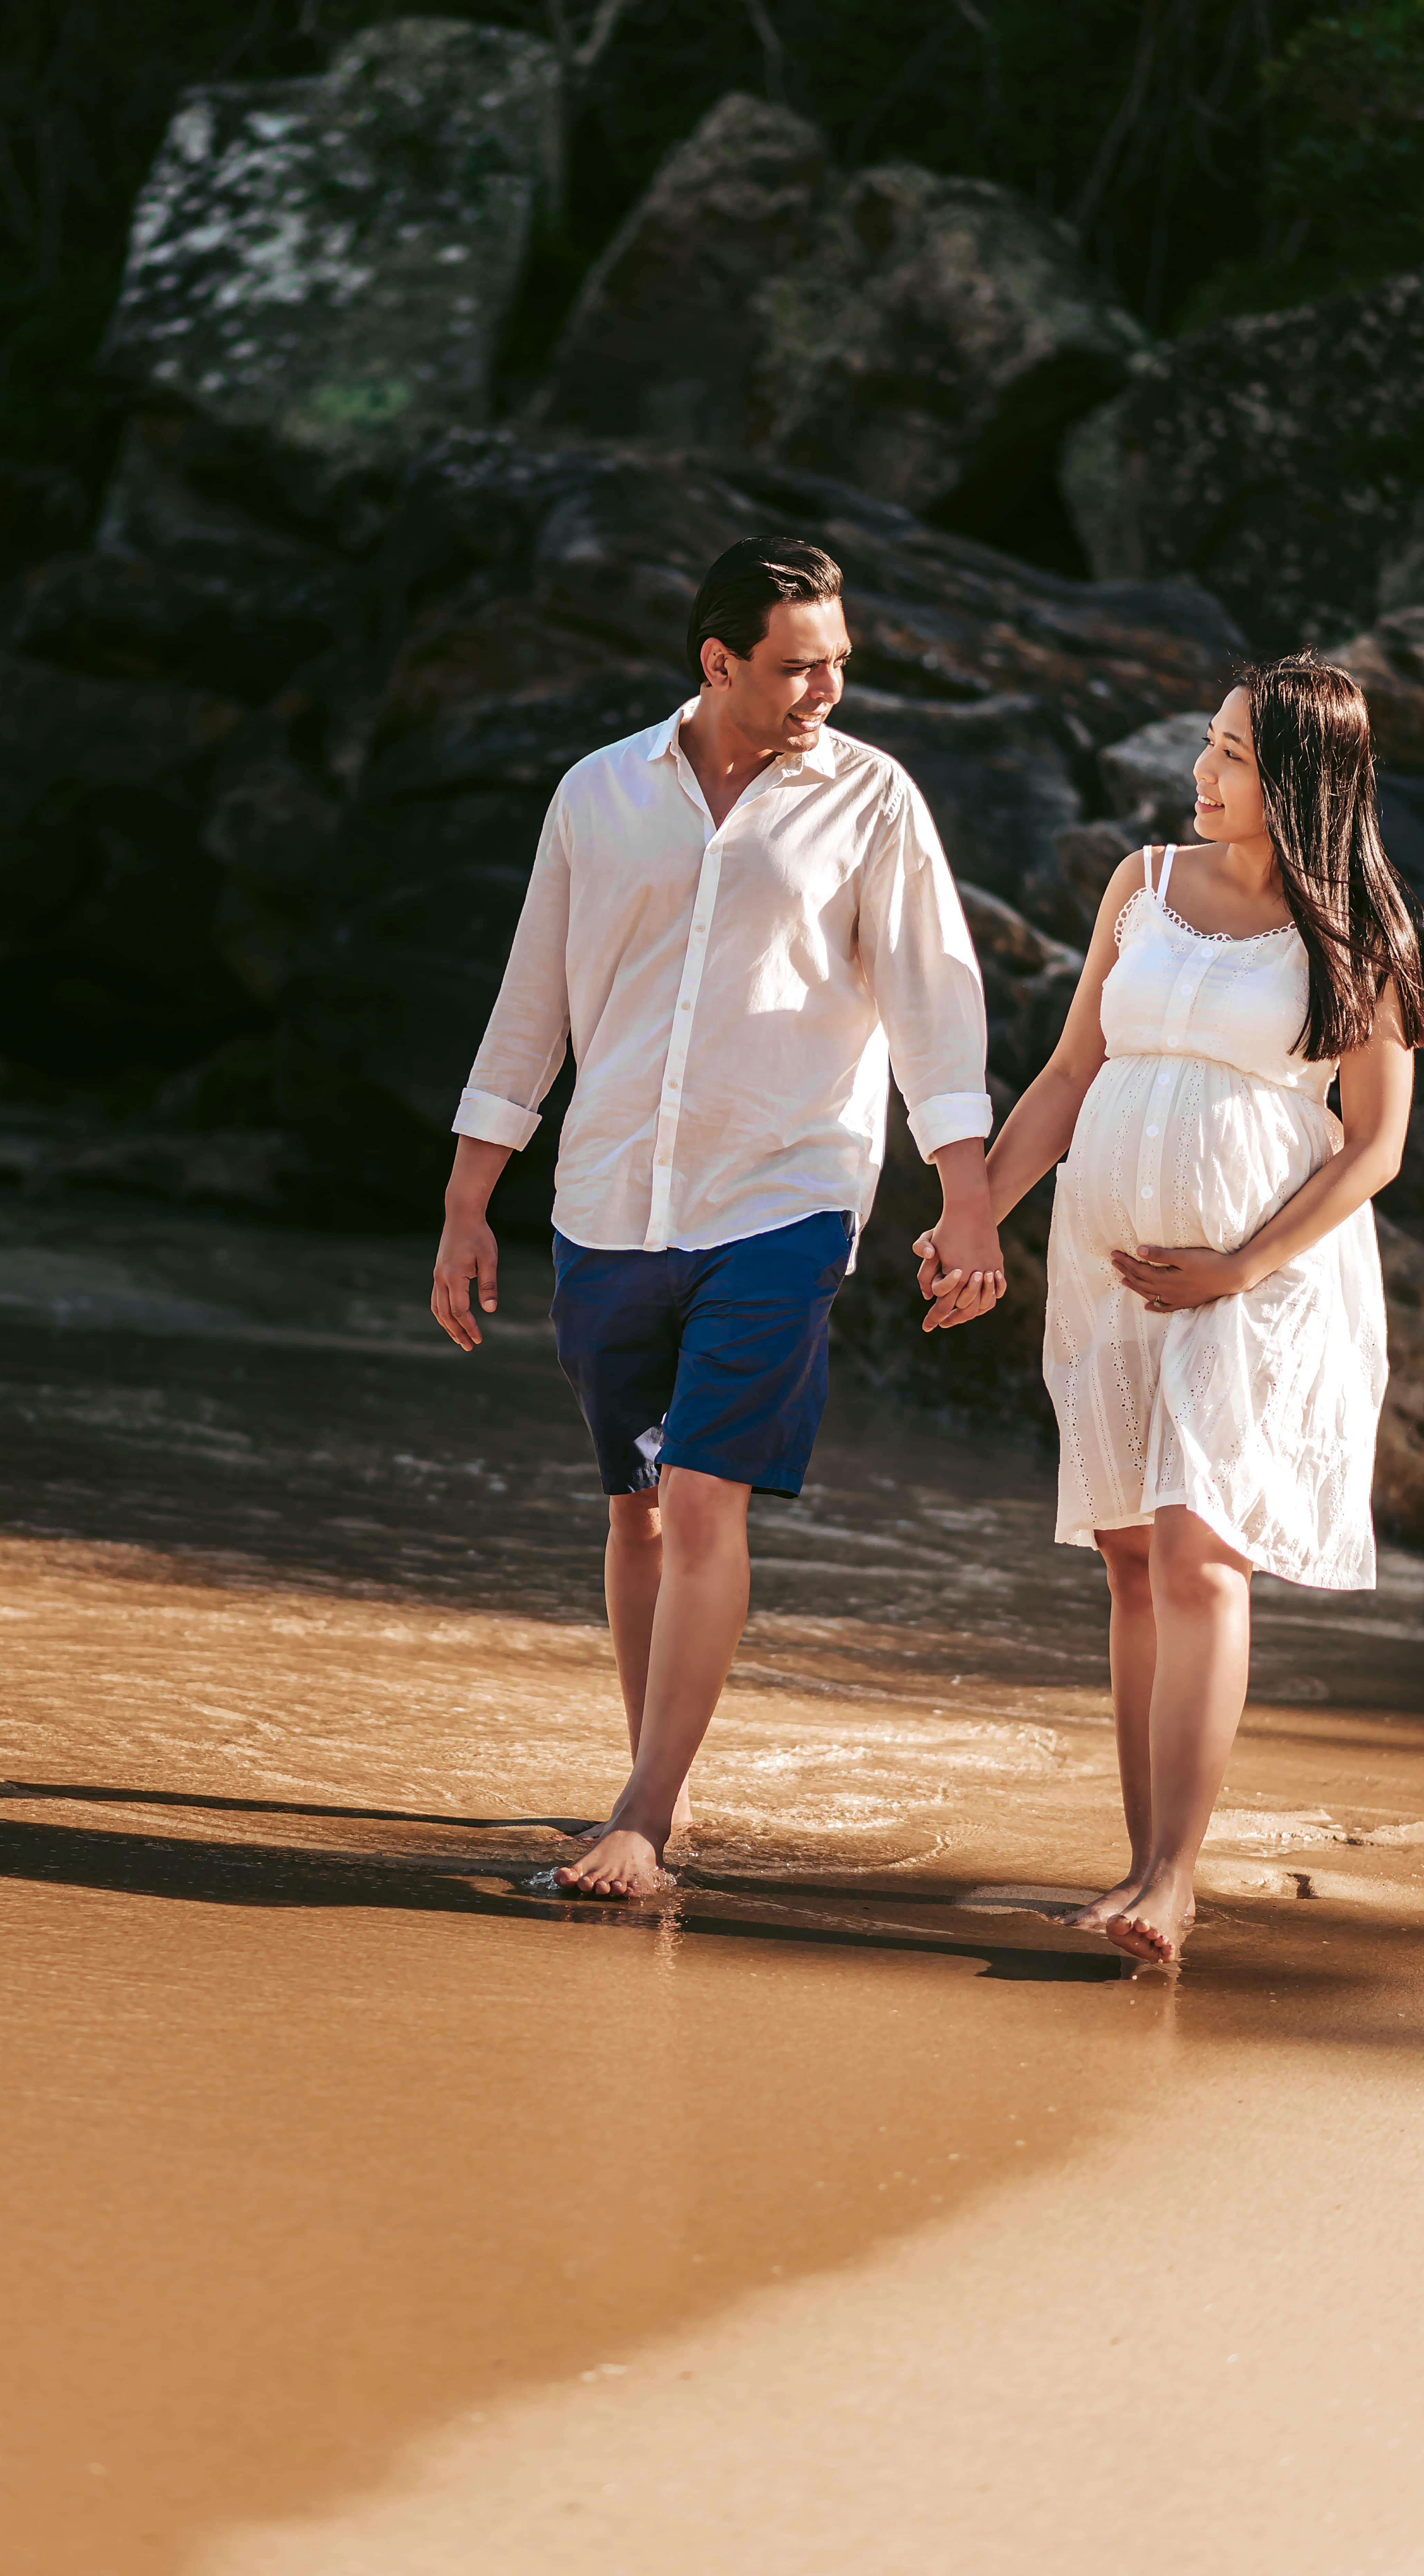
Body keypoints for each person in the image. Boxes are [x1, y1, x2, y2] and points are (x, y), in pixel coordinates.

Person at [430, 535, 1005, 1898]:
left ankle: (644, 1810)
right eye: (798, 666)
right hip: (608, 1198)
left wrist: (966, 1194)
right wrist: (468, 1201)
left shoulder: (871, 802)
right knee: (632, 1509)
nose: (826, 690)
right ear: (716, 660)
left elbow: (935, 1004)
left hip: (785, 1192)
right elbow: (531, 1004)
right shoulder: (597, 793)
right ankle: (647, 1782)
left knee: (701, 1498)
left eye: (838, 665)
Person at [920, 653, 1423, 1966]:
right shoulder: (1140, 886)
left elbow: (1371, 1146)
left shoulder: (1363, 939)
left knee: (1202, 1553)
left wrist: (1241, 1267)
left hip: (1261, 1282)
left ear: (1304, 779)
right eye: (1209, 744)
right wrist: (979, 1211)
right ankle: (1142, 1861)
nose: (1201, 774)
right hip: (1108, 1260)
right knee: (1132, 1559)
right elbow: (1075, 1067)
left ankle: (1172, 1877)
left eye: (1236, 756)